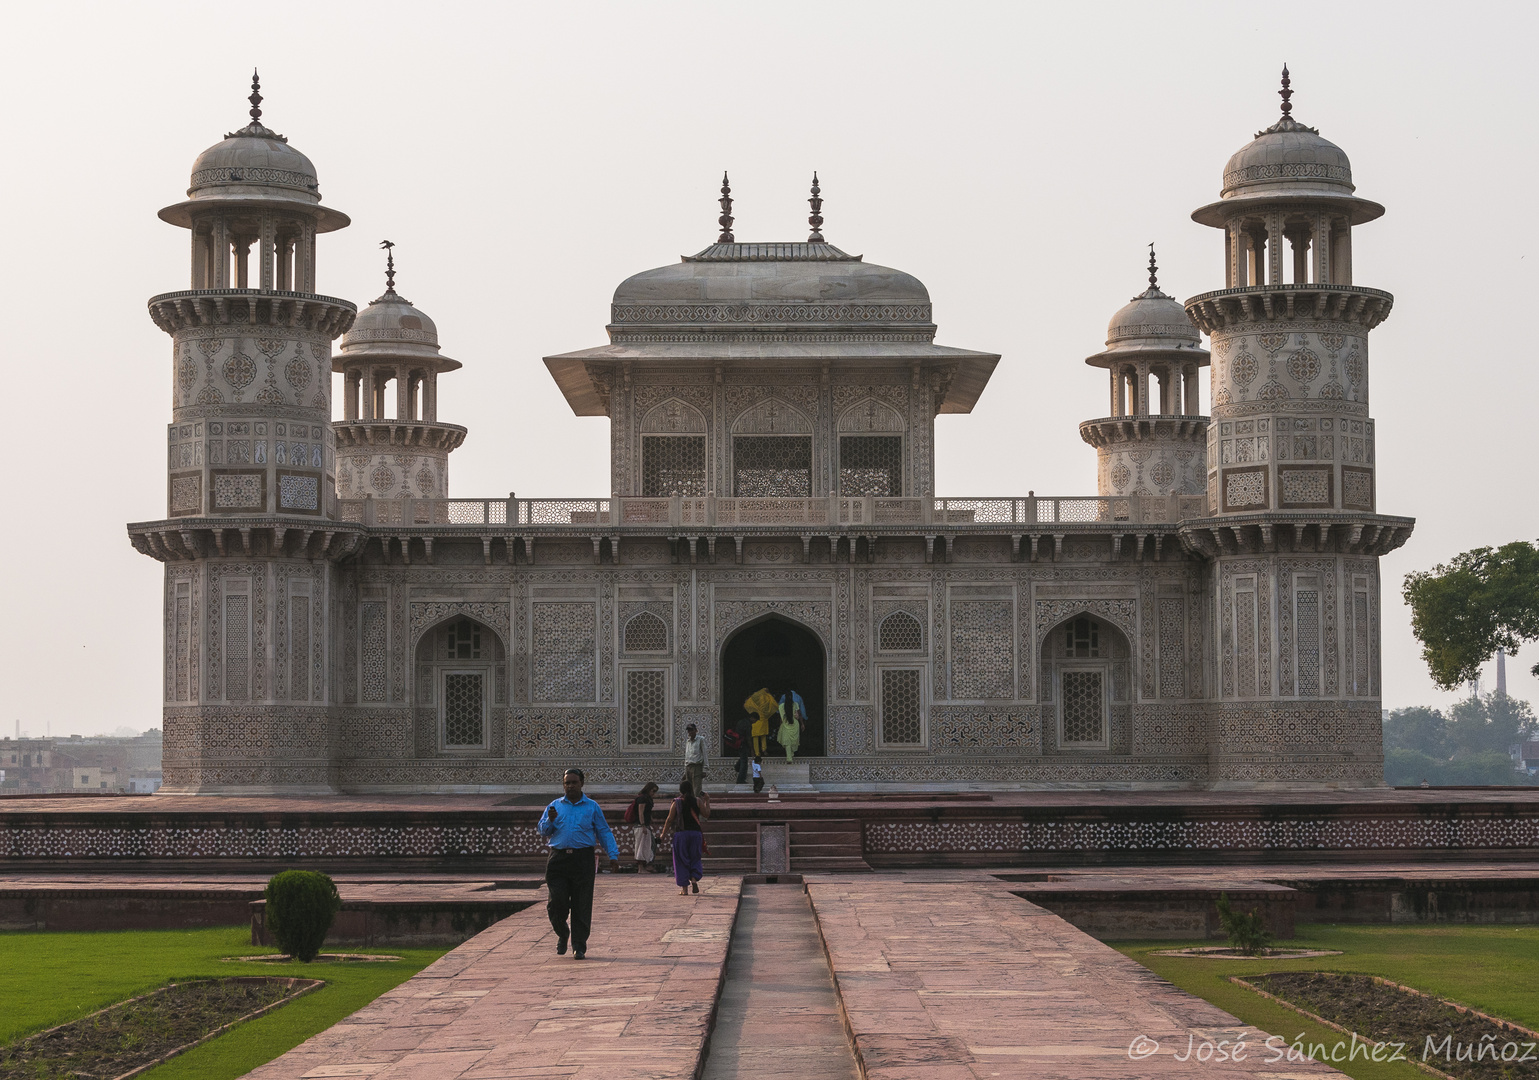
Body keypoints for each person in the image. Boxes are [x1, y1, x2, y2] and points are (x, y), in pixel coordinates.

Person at [537, 768, 619, 959]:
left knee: (582, 903)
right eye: (567, 783)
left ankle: (579, 945)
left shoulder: (591, 807)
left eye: (574, 782)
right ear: (563, 785)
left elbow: (603, 831)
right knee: (556, 903)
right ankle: (562, 932)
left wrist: (613, 855)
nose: (570, 786)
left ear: (582, 783)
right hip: (558, 859)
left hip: (582, 859)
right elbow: (542, 830)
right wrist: (549, 820)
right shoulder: (555, 806)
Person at [662, 779, 711, 895]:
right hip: (695, 834)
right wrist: (707, 801)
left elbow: (669, 820)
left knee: (681, 860)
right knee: (695, 857)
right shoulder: (698, 801)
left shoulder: (676, 802)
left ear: (680, 790)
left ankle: (684, 889)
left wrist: (663, 834)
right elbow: (706, 814)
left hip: (681, 835)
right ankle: (694, 878)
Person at [629, 782, 660, 872]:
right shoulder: (642, 799)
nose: (653, 793)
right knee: (641, 847)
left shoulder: (647, 799)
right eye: (653, 791)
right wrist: (643, 826)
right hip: (640, 826)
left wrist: (651, 823)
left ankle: (647, 865)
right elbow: (641, 812)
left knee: (649, 845)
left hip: (645, 825)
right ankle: (641, 868)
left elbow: (647, 813)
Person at [745, 688, 777, 758]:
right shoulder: (765, 701)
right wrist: (769, 694)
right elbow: (772, 702)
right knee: (763, 736)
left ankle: (757, 753)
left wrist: (749, 698)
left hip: (755, 721)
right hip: (763, 719)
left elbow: (746, 705)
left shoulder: (753, 702)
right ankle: (764, 750)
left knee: (755, 737)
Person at [777, 691, 804, 763]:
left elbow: (781, 718)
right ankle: (790, 757)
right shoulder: (795, 704)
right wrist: (802, 724)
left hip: (785, 725)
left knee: (787, 742)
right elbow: (799, 714)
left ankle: (790, 756)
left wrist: (780, 726)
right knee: (792, 742)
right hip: (794, 725)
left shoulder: (781, 706)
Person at [682, 722, 706, 797]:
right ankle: (689, 805)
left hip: (697, 766)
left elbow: (705, 754)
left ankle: (697, 805)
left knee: (696, 789)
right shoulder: (688, 741)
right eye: (689, 731)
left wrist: (705, 769)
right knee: (688, 789)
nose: (690, 732)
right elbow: (687, 755)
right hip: (688, 766)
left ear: (696, 730)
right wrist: (685, 770)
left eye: (691, 730)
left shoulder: (700, 740)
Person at [730, 712, 753, 784]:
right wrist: (752, 748)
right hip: (743, 743)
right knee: (744, 761)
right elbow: (748, 737)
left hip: (737, 742)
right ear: (752, 718)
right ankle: (741, 779)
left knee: (743, 757)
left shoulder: (741, 722)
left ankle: (737, 766)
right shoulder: (748, 724)